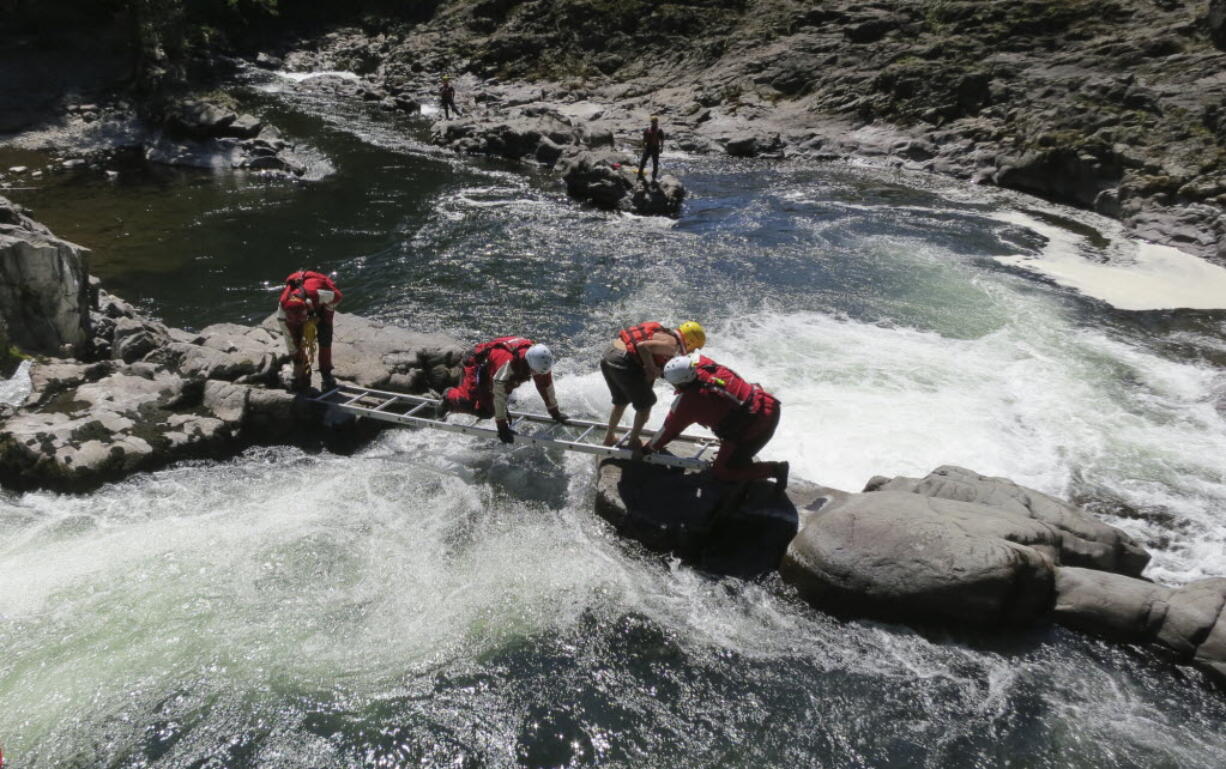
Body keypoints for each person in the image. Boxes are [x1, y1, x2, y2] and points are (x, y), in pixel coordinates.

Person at [645, 354, 788, 492]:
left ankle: (775, 470)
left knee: (721, 472)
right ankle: (740, 458)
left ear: (681, 383)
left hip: (757, 426)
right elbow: (693, 356)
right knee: (733, 441)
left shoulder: (688, 403)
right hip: (767, 403)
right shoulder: (706, 364)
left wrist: (648, 449)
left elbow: (669, 430)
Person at [600, 320, 705, 453]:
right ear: (690, 342)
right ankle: (633, 443)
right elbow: (642, 347)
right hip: (622, 361)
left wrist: (652, 370)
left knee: (621, 401)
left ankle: (609, 438)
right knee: (646, 405)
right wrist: (651, 368)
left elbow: (650, 365)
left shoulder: (661, 333)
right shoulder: (671, 345)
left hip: (609, 356)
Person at [442, 336, 567, 443]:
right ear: (528, 363)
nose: (537, 374)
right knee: (483, 411)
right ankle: (448, 397)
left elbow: (545, 385)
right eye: (534, 372)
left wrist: (554, 412)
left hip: (494, 365)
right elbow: (498, 393)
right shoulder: (506, 365)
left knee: (495, 404)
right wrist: (502, 426)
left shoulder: (539, 360)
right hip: (477, 363)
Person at [276, 269, 342, 393]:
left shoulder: (319, 294)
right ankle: (304, 376)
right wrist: (298, 363)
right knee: (297, 342)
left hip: (319, 303)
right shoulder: (282, 313)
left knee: (325, 337)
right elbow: (291, 343)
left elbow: (338, 297)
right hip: (304, 311)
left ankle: (326, 374)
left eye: (301, 320)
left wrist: (325, 316)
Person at [636, 115, 665, 184]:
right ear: (651, 122)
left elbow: (662, 140)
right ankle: (640, 175)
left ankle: (653, 178)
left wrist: (661, 147)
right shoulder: (647, 129)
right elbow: (644, 139)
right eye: (652, 122)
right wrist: (643, 145)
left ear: (657, 122)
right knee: (643, 161)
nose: (653, 123)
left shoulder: (659, 130)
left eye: (655, 122)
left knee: (655, 164)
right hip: (648, 147)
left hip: (656, 148)